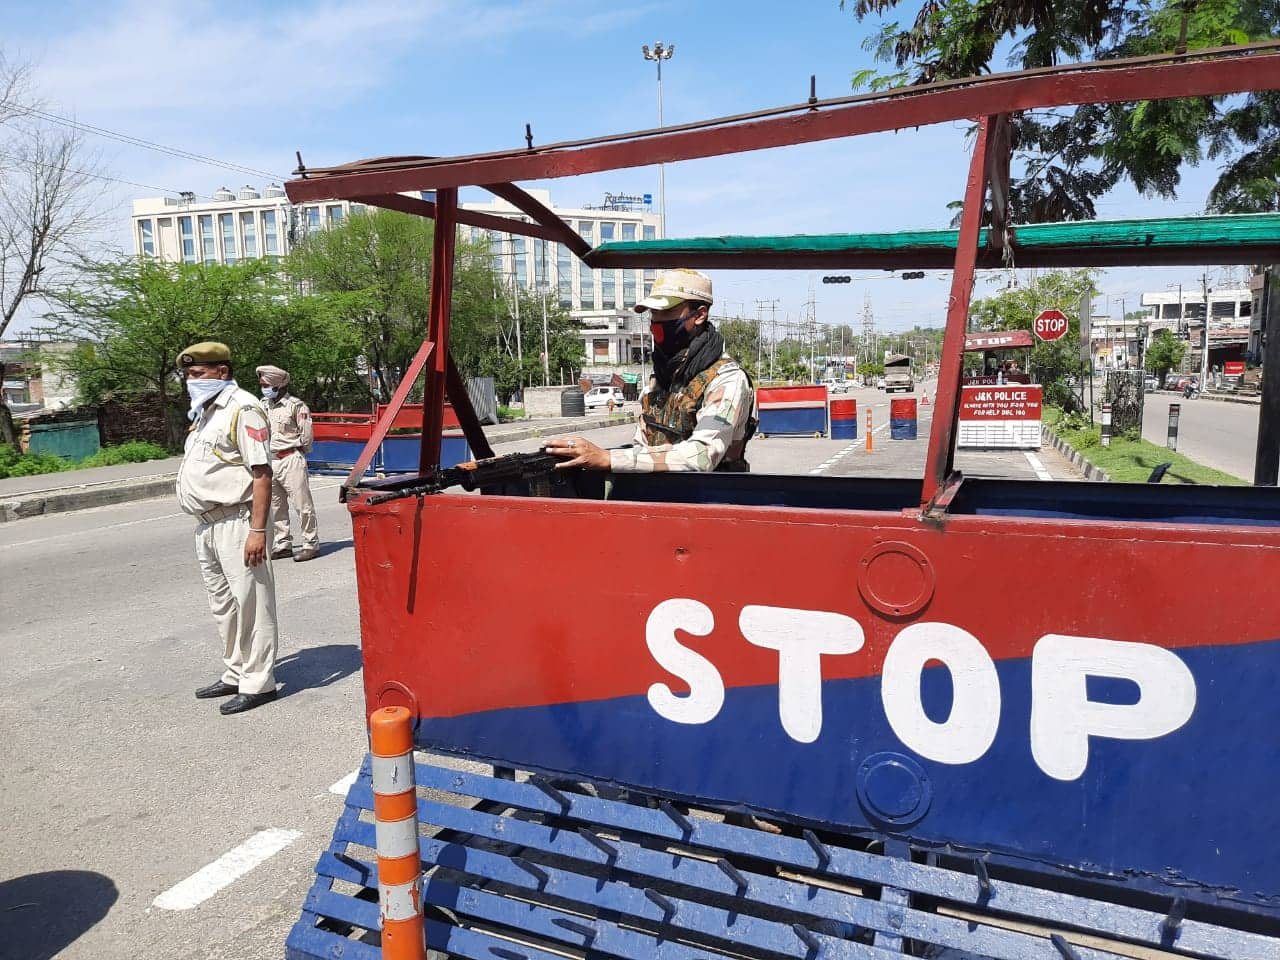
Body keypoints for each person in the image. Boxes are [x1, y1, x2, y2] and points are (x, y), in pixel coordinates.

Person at [547, 269, 755, 472]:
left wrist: (609, 458)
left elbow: (701, 456)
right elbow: (643, 445)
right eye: (654, 313)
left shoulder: (727, 379)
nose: (657, 322)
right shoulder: (663, 375)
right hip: (659, 497)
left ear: (700, 315)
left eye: (666, 311)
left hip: (714, 499)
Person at [176, 341, 280, 715]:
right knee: (224, 605)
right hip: (206, 525)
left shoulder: (243, 408)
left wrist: (258, 531)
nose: (192, 380)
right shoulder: (205, 412)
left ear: (221, 372)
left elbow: (262, 474)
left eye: (198, 373)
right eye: (188, 375)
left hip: (237, 521)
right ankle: (235, 670)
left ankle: (258, 682)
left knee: (252, 602)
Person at [256, 364, 319, 562]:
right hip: (270, 461)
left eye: (266, 384)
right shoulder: (262, 405)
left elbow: (307, 436)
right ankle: (283, 543)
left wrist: (298, 453)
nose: (264, 387)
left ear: (278, 384)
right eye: (262, 384)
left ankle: (311, 543)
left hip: (290, 458)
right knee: (276, 507)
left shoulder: (296, 406)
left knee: (302, 504)